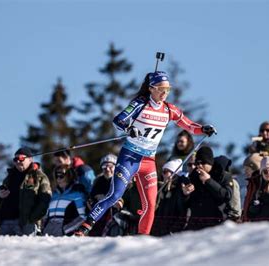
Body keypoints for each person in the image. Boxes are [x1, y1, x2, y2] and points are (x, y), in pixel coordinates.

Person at [74, 71, 216, 236]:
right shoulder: (140, 103)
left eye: (167, 89)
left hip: (148, 161)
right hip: (129, 157)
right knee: (115, 195)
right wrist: (129, 128)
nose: (165, 93)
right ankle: (85, 226)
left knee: (150, 203)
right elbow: (118, 120)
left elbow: (188, 125)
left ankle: (142, 238)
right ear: (151, 88)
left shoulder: (169, 110)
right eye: (161, 89)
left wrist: (203, 129)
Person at [0, 147, 52, 236]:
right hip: (5, 223)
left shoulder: (40, 177)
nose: (18, 161)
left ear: (30, 159)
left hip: (26, 224)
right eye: (15, 159)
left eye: (21, 159)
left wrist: (31, 219)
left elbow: (45, 201)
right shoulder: (9, 177)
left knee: (25, 249)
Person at [182, 147, 233, 231]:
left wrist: (209, 181)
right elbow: (187, 204)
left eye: (203, 163)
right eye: (197, 163)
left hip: (216, 224)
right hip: (195, 225)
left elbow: (227, 196)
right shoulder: (194, 176)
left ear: (210, 163)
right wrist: (185, 194)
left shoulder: (223, 175)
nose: (199, 166)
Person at [42, 166, 87, 236]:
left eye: (61, 176)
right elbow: (46, 216)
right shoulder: (53, 194)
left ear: (69, 176)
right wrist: (43, 228)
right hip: (48, 230)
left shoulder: (76, 193)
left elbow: (83, 217)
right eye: (56, 176)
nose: (58, 179)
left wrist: (66, 230)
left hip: (63, 230)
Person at [151, 159, 188, 236]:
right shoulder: (161, 189)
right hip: (157, 232)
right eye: (163, 172)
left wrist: (173, 230)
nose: (163, 175)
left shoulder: (178, 190)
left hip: (170, 234)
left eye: (165, 172)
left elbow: (182, 213)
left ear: (173, 174)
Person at [87, 154, 118, 236]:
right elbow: (91, 198)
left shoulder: (120, 181)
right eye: (104, 166)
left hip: (115, 217)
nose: (107, 169)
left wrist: (104, 198)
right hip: (99, 218)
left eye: (110, 166)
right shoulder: (98, 181)